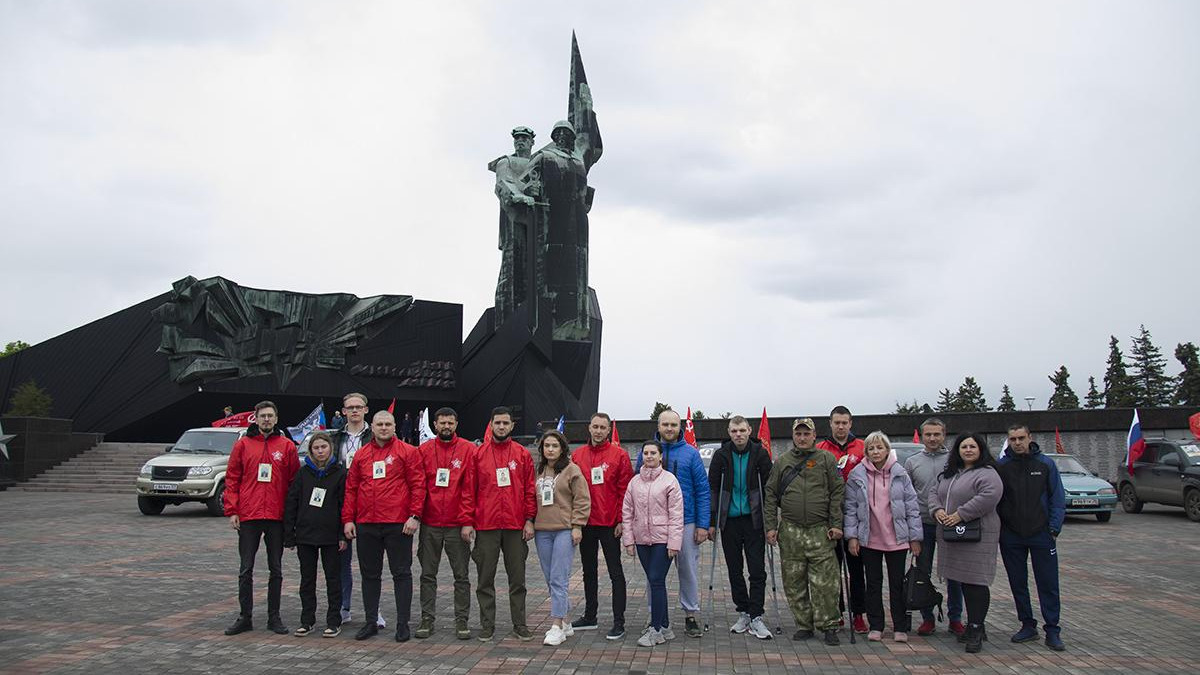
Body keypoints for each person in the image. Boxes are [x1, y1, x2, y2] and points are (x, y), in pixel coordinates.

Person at [341, 411, 425, 642]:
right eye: (380, 424)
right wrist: (348, 519)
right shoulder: (361, 455)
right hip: (367, 524)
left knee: (402, 573)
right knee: (369, 575)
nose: (384, 428)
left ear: (395, 426)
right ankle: (371, 622)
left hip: (398, 524)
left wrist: (415, 516)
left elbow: (418, 485)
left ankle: (402, 624)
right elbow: (351, 489)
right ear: (373, 426)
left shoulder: (408, 452)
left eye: (388, 424)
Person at [222, 401, 301, 636]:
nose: (266, 419)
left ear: (276, 419)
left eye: (270, 416)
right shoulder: (242, 445)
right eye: (262, 416)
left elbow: (294, 483)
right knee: (246, 568)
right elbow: (232, 478)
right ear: (255, 419)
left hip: (276, 516)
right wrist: (233, 510)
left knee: (275, 569)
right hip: (249, 515)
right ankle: (244, 617)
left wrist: (291, 517)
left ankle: (273, 617)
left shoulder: (287, 446)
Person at [764, 418, 844, 646]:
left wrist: (836, 524)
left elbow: (837, 492)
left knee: (825, 583)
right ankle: (804, 624)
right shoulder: (783, 462)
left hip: (821, 531)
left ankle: (828, 624)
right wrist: (771, 526)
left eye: (806, 434)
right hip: (791, 531)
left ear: (814, 435)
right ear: (793, 436)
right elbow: (770, 494)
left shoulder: (827, 459)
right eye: (798, 434)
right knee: (794, 581)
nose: (802, 438)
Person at [464, 406, 537, 642]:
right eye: (498, 423)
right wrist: (468, 522)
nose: (502, 427)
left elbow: (529, 490)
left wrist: (529, 520)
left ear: (512, 425)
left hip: (515, 526)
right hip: (486, 525)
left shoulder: (522, 454)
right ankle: (487, 625)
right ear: (491, 424)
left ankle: (520, 624)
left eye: (506, 423)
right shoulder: (478, 454)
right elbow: (469, 491)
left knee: (518, 580)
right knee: (485, 579)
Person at [636, 409, 710, 638]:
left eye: (674, 425)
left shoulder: (691, 454)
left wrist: (702, 524)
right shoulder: (647, 452)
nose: (669, 428)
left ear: (680, 427)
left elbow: (702, 490)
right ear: (658, 426)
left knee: (687, 569)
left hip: (686, 522)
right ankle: (655, 615)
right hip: (655, 525)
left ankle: (690, 614)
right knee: (653, 573)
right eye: (665, 424)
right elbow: (637, 487)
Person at [843, 432, 922, 643]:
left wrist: (915, 537)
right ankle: (876, 625)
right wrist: (852, 537)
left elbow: (912, 507)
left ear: (887, 450)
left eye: (879, 447)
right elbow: (850, 508)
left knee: (897, 585)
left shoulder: (900, 473)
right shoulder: (857, 475)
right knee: (873, 584)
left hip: (897, 538)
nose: (876, 452)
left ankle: (900, 626)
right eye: (871, 448)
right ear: (866, 452)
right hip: (869, 538)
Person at [930, 432, 1004, 654]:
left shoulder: (987, 473)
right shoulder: (950, 473)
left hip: (977, 536)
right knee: (963, 581)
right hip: (954, 535)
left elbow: (989, 496)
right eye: (964, 447)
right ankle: (974, 624)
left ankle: (975, 628)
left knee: (976, 582)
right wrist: (937, 510)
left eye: (972, 446)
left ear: (980, 449)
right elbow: (934, 492)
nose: (968, 450)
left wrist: (960, 514)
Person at [996, 424, 1067, 652]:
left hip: (1042, 534)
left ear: (1030, 438)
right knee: (1018, 583)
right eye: (1013, 439)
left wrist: (1053, 529)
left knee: (1048, 583)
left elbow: (1057, 497)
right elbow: (995, 499)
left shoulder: (1045, 464)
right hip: (1011, 535)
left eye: (1021, 438)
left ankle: (1053, 629)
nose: (1017, 443)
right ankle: (1027, 624)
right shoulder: (1001, 466)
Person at [707, 415, 774, 639]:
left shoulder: (760, 453)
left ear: (749, 431)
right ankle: (743, 611)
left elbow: (769, 489)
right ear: (729, 432)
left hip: (754, 520)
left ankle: (756, 615)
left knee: (757, 570)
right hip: (730, 521)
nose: (738, 435)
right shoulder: (721, 455)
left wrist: (770, 522)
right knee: (734, 570)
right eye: (734, 431)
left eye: (742, 430)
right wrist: (712, 522)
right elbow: (713, 489)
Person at [414, 407, 476, 640]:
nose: (446, 427)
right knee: (427, 575)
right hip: (430, 524)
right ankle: (427, 619)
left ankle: (462, 620)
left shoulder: (468, 449)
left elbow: (469, 489)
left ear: (456, 424)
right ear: (435, 425)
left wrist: (467, 521)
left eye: (450, 423)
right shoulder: (424, 450)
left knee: (461, 576)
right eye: (442, 423)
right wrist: (416, 515)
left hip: (456, 525)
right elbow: (419, 486)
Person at [570, 413, 634, 639]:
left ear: (609, 430)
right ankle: (590, 616)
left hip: (609, 523)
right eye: (595, 426)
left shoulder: (619, 455)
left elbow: (625, 490)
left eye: (602, 427)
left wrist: (622, 520)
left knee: (615, 572)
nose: (598, 431)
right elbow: (571, 490)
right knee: (589, 571)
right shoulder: (577, 455)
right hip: (586, 522)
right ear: (589, 428)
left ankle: (619, 621)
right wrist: (575, 521)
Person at [903, 417, 964, 636]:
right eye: (928, 434)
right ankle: (927, 617)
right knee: (923, 573)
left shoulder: (955, 460)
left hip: (950, 523)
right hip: (923, 525)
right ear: (922, 436)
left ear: (944, 434)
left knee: (954, 573)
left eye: (937, 434)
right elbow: (907, 496)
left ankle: (955, 618)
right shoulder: (912, 462)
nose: (932, 438)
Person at [283, 431, 347, 638]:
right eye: (316, 448)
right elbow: (292, 503)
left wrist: (342, 535)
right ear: (311, 451)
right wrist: (289, 534)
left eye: (323, 447)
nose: (320, 451)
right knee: (307, 580)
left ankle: (334, 621)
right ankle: (307, 620)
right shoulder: (303, 474)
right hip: (306, 535)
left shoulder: (340, 473)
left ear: (330, 448)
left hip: (331, 536)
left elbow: (344, 506)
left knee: (333, 580)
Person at [622, 440, 684, 647]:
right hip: (642, 539)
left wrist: (674, 543)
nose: (649, 456)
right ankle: (664, 626)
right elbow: (627, 512)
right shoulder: (634, 482)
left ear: (660, 456)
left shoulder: (670, 480)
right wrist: (629, 540)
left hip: (662, 540)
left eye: (653, 453)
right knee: (654, 581)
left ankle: (655, 629)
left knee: (656, 579)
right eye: (646, 453)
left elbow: (676, 514)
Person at [533, 430, 591, 646]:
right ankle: (565, 620)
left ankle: (556, 625)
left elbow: (582, 499)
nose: (550, 450)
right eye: (546, 446)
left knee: (559, 577)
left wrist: (577, 526)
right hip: (542, 530)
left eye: (554, 446)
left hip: (564, 530)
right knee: (550, 577)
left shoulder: (572, 470)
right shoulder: (538, 470)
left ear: (562, 449)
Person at [816, 405, 867, 634]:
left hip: (856, 515)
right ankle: (836, 611)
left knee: (856, 568)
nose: (840, 426)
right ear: (830, 423)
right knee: (832, 568)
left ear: (850, 423)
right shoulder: (821, 449)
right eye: (837, 422)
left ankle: (858, 614)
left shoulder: (862, 447)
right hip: (829, 516)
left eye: (844, 422)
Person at [329, 393, 378, 626]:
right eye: (350, 408)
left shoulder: (376, 435)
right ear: (344, 411)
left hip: (370, 502)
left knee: (372, 563)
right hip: (341, 501)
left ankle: (374, 611)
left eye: (359, 407)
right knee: (342, 559)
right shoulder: (335, 438)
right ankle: (343, 607)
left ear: (366, 410)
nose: (355, 411)